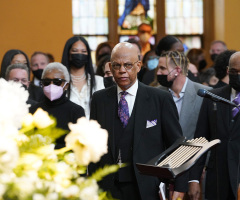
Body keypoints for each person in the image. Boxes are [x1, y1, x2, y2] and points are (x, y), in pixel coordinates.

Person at [89, 42, 187, 200]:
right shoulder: (99, 99)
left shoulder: (159, 99)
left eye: (128, 65)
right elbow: (92, 146)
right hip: (108, 187)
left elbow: (176, 144)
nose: (122, 71)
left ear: (139, 65)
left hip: (147, 186)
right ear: (110, 66)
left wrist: (181, 185)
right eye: (116, 65)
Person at [188, 51, 240, 200]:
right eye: (234, 72)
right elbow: (200, 140)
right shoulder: (213, 97)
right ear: (228, 71)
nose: (238, 75)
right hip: (218, 179)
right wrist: (194, 179)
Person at [156, 51, 211, 140]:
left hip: (196, 152)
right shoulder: (157, 93)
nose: (158, 73)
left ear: (177, 70)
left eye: (162, 68)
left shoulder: (204, 93)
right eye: (158, 68)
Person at [29, 62, 85, 149]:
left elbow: (80, 145)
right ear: (42, 84)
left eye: (57, 82)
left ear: (66, 85)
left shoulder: (76, 111)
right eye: (47, 82)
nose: (51, 85)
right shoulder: (33, 110)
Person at [61, 36, 105, 119]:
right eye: (75, 51)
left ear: (88, 54)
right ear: (68, 54)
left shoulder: (99, 82)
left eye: (83, 51)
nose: (79, 54)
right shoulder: (60, 83)